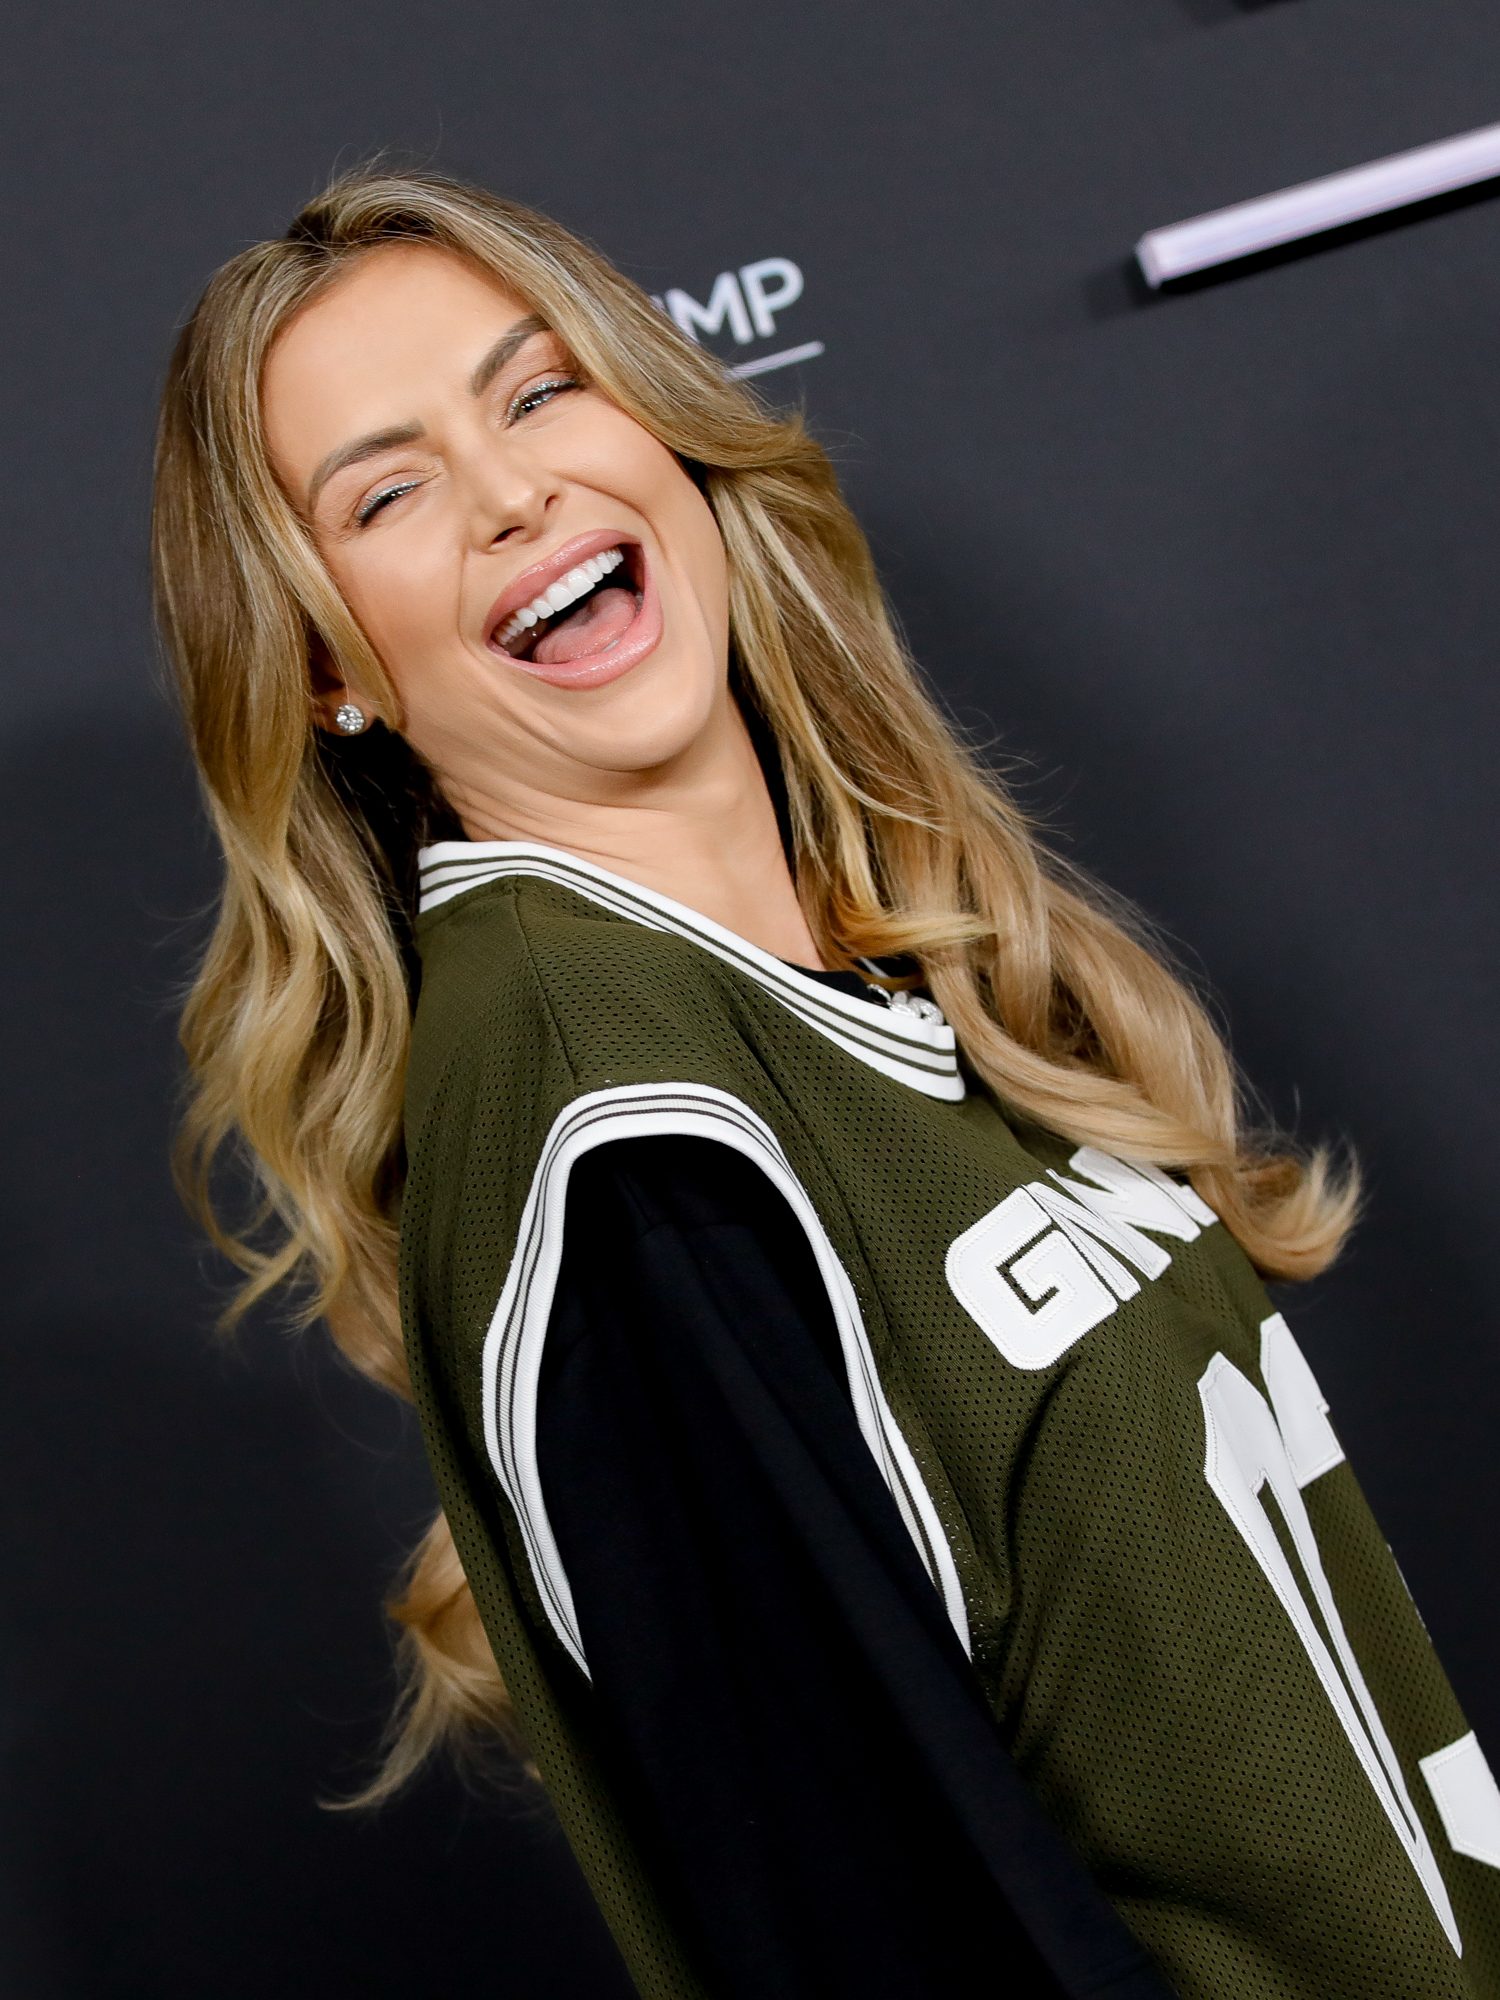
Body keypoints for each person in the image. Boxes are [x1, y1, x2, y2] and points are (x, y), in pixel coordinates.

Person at [150, 161, 1500, 1999]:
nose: (514, 491)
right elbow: (883, 1928)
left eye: (540, 388)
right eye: (388, 492)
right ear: (322, 666)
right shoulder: (603, 1102)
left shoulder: (865, 960)